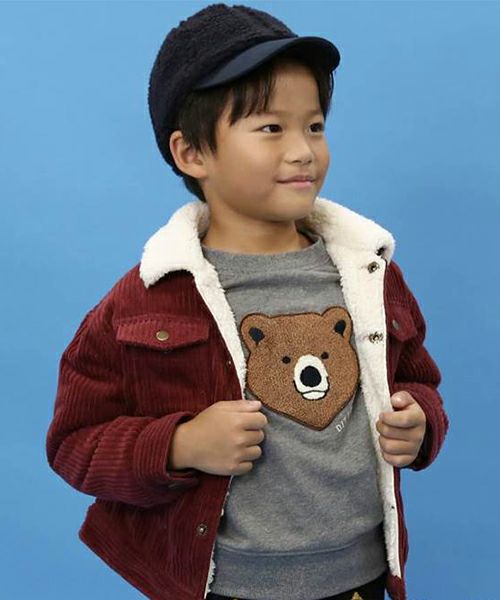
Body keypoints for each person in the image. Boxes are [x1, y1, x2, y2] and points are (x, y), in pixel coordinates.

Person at [45, 4, 449, 600]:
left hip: (360, 576)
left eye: (314, 126)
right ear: (192, 153)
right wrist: (181, 444)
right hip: (229, 584)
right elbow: (74, 444)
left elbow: (418, 379)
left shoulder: (370, 272)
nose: (303, 150)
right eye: (271, 128)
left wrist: (420, 421)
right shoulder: (149, 299)